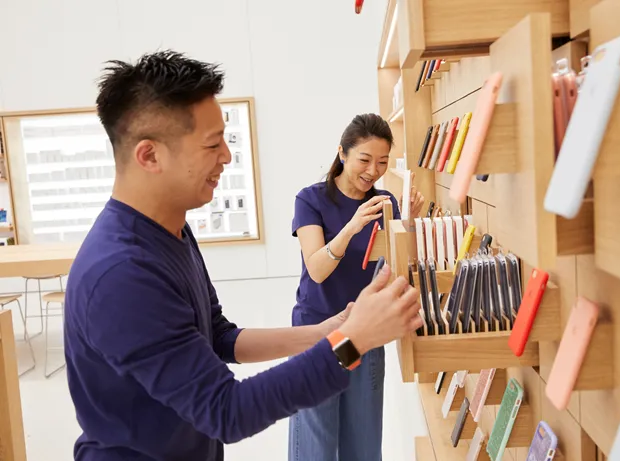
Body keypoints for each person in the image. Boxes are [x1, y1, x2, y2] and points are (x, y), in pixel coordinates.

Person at [63, 51, 423, 461]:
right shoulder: (122, 274)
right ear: (150, 156)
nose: (227, 157)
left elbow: (219, 337)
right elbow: (227, 412)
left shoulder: (171, 231)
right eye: (213, 144)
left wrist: (328, 331)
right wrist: (351, 341)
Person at [289, 113, 425, 460]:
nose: (373, 170)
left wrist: (408, 226)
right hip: (318, 334)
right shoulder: (310, 200)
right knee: (316, 441)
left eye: (382, 162)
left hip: (363, 335)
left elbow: (394, 270)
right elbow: (317, 269)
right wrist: (351, 227)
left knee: (362, 441)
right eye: (365, 159)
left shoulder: (386, 204)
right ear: (342, 153)